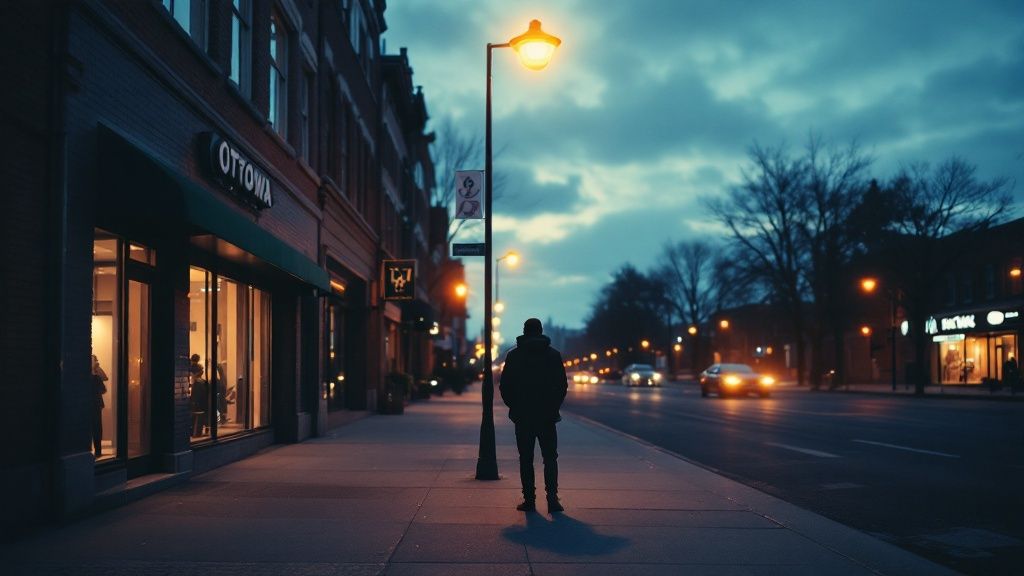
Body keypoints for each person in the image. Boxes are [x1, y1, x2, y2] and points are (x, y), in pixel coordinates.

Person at [499, 318, 568, 512]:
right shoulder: (553, 355)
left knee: (526, 458)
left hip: (523, 416)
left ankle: (529, 500)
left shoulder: (514, 356)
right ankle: (552, 499)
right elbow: (562, 385)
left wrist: (515, 407)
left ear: (524, 331)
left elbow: (505, 386)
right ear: (541, 331)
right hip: (547, 416)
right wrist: (553, 407)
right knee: (550, 458)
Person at [91, 354, 108, 457]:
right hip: (89, 404)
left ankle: (98, 451)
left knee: (97, 427)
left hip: (96, 404)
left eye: (93, 361)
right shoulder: (84, 375)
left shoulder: (97, 375)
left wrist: (97, 368)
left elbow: (104, 381)